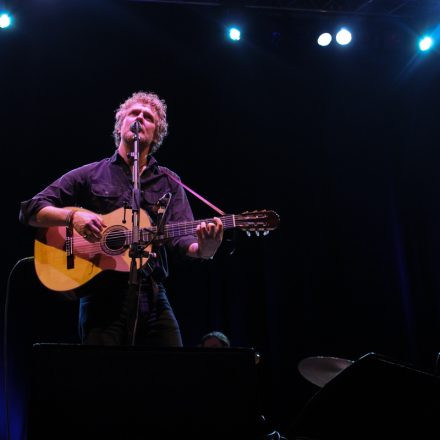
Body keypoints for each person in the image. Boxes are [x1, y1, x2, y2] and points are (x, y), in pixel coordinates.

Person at [19, 91, 223, 347]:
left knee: (173, 373)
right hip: (101, 297)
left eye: (148, 117)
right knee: (103, 378)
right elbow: (30, 210)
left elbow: (183, 239)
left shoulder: (169, 182)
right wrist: (72, 216)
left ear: (156, 132)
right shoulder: (91, 174)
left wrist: (205, 249)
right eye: (133, 113)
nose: (140, 118)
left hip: (152, 293)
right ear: (121, 123)